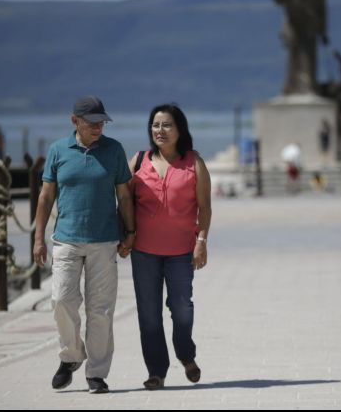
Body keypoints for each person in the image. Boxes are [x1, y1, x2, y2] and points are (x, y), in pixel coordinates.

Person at [32, 96, 136, 394]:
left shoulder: (114, 150)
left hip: (104, 241)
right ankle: (71, 356)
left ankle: (97, 373)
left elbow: (125, 196)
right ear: (74, 121)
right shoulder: (58, 151)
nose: (98, 128)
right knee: (61, 300)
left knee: (100, 310)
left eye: (101, 122)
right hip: (66, 238)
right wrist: (38, 238)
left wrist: (130, 232)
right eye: (92, 122)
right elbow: (45, 197)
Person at [127, 103, 212, 391]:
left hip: (181, 253)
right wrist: (124, 235)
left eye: (166, 125)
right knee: (149, 315)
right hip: (144, 252)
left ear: (179, 129)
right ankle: (156, 372)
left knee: (182, 309)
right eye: (155, 125)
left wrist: (201, 242)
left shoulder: (194, 162)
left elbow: (205, 207)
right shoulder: (138, 161)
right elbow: (123, 201)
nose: (160, 130)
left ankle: (186, 355)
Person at [272, 0, 329, 95]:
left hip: (310, 24)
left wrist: (323, 31)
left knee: (309, 58)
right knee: (293, 58)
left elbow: (321, 6)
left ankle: (309, 87)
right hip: (292, 23)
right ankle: (291, 87)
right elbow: (279, 0)